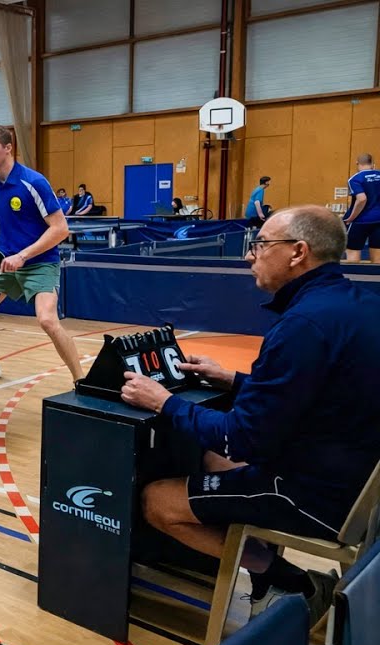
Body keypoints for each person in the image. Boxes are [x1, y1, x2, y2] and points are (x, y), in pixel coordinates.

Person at [121, 206, 380, 622]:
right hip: (357, 479)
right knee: (210, 462)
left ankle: (290, 579)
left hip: (319, 495)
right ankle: (265, 581)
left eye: (261, 245)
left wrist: (163, 402)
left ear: (298, 252)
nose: (250, 255)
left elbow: (239, 438)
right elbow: (319, 393)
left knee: (157, 500)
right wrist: (234, 380)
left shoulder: (302, 325)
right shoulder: (359, 304)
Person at [0, 125, 82, 382]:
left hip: (40, 262)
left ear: (8, 148)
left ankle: (81, 380)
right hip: (5, 262)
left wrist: (23, 256)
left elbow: (60, 229)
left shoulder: (33, 182)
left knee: (47, 320)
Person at [343, 153, 380, 263]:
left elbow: (362, 199)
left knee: (353, 252)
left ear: (357, 163)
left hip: (360, 221)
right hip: (379, 221)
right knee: (377, 255)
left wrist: (351, 217)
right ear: (373, 164)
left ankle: (354, 279)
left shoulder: (355, 179)